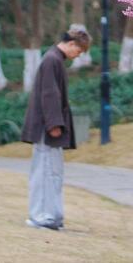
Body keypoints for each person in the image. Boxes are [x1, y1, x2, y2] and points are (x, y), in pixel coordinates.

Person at [21, 23, 91, 230]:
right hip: (47, 128)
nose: (78, 55)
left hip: (49, 127)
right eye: (78, 50)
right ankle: (43, 217)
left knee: (52, 172)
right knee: (46, 171)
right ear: (70, 44)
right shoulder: (52, 60)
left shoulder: (55, 60)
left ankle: (52, 216)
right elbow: (49, 95)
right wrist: (54, 124)